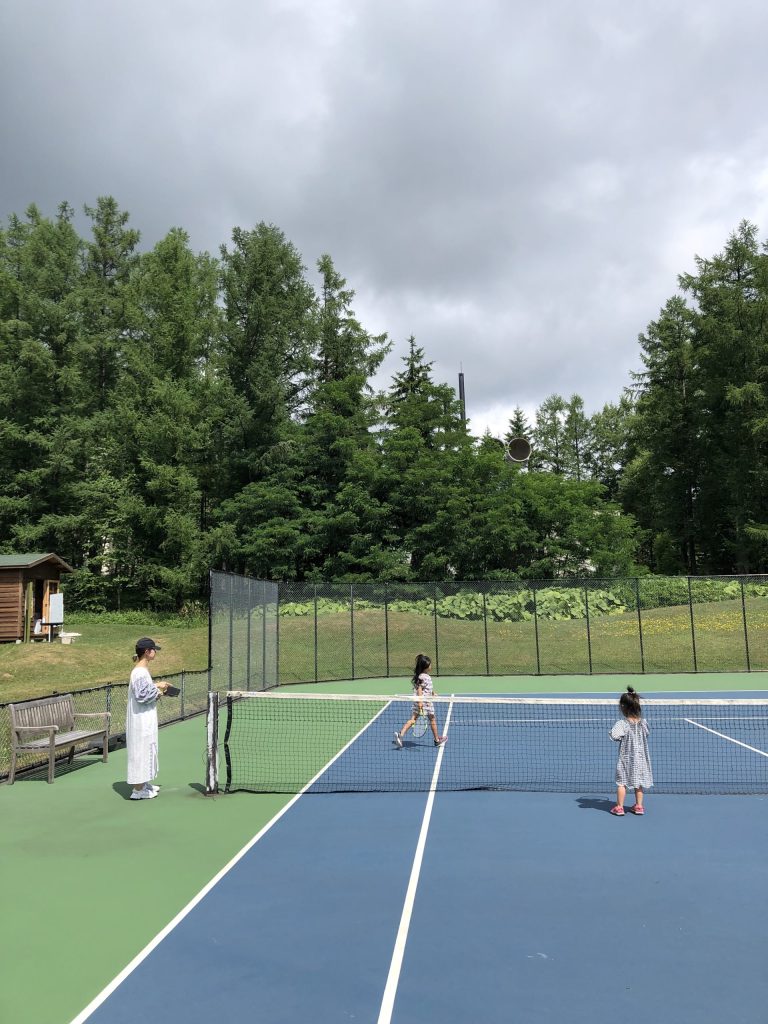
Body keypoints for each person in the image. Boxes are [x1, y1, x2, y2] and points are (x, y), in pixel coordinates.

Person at [126, 637, 169, 800]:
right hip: (140, 722)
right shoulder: (139, 672)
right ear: (147, 652)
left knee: (148, 749)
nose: (155, 652)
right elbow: (142, 696)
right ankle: (137, 790)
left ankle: (144, 784)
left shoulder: (142, 671)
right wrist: (160, 690)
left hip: (146, 719)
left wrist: (157, 685)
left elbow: (144, 691)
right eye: (153, 649)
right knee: (140, 752)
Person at [609, 685, 653, 815]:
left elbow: (614, 736)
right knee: (638, 782)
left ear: (623, 707)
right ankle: (639, 806)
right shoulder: (643, 723)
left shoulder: (622, 724)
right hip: (641, 759)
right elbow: (647, 734)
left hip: (626, 759)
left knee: (621, 783)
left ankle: (619, 807)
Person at [393, 653, 447, 748]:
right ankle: (437, 740)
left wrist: (432, 693)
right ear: (425, 667)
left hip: (419, 702)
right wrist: (421, 702)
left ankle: (400, 735)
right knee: (432, 719)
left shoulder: (420, 676)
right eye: (429, 664)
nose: (431, 666)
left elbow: (425, 688)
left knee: (413, 719)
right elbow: (419, 689)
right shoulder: (424, 677)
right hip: (425, 703)